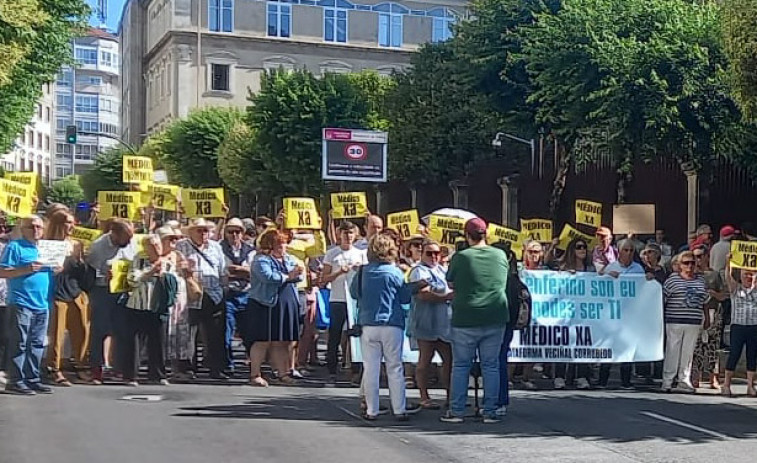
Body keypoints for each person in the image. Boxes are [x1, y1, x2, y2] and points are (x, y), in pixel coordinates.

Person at [442, 218, 509, 424]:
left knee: (461, 366)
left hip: (465, 317)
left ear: (467, 235)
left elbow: (450, 281)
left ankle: (457, 411)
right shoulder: (500, 255)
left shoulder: (461, 257)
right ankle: (490, 411)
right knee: (491, 365)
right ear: (485, 234)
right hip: (495, 315)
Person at [351, 234, 416, 420]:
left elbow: (355, 294)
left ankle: (372, 410)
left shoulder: (363, 272)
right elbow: (404, 298)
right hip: (392, 323)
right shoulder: (395, 272)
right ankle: (399, 409)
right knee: (394, 367)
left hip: (368, 323)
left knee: (371, 368)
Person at [1, 216, 57, 395]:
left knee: (37, 343)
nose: (36, 230)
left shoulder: (46, 249)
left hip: (42, 303)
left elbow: (53, 270)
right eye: (31, 227)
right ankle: (15, 381)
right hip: (21, 302)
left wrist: (58, 267)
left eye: (39, 227)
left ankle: (32, 378)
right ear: (23, 229)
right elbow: (2, 271)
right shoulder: (15, 247)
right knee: (19, 343)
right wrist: (25, 269)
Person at [248, 230, 303, 387]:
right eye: (279, 244)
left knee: (280, 341)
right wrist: (288, 276)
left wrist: (296, 273)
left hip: (285, 303)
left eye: (284, 243)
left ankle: (283, 373)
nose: (283, 247)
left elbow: (299, 274)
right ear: (269, 245)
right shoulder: (260, 260)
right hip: (265, 304)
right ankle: (255, 374)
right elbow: (268, 277)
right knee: (262, 341)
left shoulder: (289, 259)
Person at [176, 218, 228, 380]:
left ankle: (216, 368)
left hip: (214, 294)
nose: (203, 233)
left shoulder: (216, 247)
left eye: (205, 230)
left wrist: (224, 289)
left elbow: (222, 270)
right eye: (199, 230)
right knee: (189, 333)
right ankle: (188, 368)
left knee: (216, 333)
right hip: (191, 294)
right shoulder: (181, 246)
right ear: (190, 232)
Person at [44, 210, 92, 386]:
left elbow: (81, 272)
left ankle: (80, 367)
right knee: (56, 335)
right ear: (58, 224)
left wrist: (81, 260)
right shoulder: (47, 244)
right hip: (56, 293)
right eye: (68, 222)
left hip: (76, 292)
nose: (72, 226)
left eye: (73, 222)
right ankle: (54, 370)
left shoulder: (77, 244)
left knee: (82, 331)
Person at [85, 218, 136, 384]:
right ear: (114, 233)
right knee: (99, 331)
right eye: (125, 238)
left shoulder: (131, 244)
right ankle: (96, 369)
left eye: (130, 238)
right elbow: (89, 273)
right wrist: (104, 276)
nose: (128, 242)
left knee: (123, 331)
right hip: (102, 291)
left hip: (123, 292)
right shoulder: (98, 247)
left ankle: (119, 369)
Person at [408, 239, 453, 410]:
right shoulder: (418, 271)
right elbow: (424, 295)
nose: (434, 256)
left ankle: (450, 396)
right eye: (429, 253)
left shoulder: (443, 270)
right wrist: (446, 297)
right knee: (425, 360)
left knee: (449, 360)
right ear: (422, 254)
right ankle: (424, 397)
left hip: (443, 322)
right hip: (425, 321)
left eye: (437, 253)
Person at [122, 235, 171, 386]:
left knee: (159, 341)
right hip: (139, 305)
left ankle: (158, 375)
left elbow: (173, 281)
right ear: (146, 247)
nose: (156, 248)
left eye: (158, 244)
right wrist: (150, 272)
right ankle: (131, 376)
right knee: (135, 342)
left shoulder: (168, 261)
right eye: (152, 245)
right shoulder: (139, 259)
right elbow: (132, 280)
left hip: (158, 307)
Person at [322, 221, 367, 384]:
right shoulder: (332, 254)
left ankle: (356, 370)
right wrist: (340, 271)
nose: (348, 237)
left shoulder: (361, 254)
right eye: (345, 233)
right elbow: (323, 279)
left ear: (355, 235)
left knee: (355, 335)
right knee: (334, 334)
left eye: (351, 233)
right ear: (339, 235)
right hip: (338, 299)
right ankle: (332, 369)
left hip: (355, 301)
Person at [598, 239, 646, 389]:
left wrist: (649, 279)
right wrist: (605, 277)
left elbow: (643, 288)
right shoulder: (610, 268)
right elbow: (598, 289)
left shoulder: (638, 269)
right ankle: (602, 380)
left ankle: (626, 381)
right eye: (626, 250)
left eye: (632, 250)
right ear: (619, 251)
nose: (629, 253)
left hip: (630, 315)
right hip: (612, 314)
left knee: (628, 346)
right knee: (608, 346)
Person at [661, 251, 708, 393]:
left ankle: (684, 380)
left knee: (687, 353)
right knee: (672, 351)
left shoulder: (701, 281)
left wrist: (707, 318)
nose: (690, 266)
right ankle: (668, 380)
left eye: (692, 263)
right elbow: (663, 300)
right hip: (674, 320)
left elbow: (705, 301)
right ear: (679, 265)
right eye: (686, 263)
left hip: (693, 321)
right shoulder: (672, 280)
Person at [554, 238, 595, 390]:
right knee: (563, 343)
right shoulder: (563, 268)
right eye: (578, 247)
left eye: (584, 247)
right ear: (572, 250)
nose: (582, 249)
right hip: (565, 313)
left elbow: (600, 281)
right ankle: (559, 376)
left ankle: (581, 376)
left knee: (582, 343)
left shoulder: (590, 270)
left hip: (584, 315)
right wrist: (564, 274)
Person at [495, 245, 531, 415]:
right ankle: (500, 400)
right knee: (499, 359)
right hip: (508, 323)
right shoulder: (516, 280)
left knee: (494, 361)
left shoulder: (500, 279)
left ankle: (495, 399)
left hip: (496, 323)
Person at [154, 226, 192, 381]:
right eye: (170, 239)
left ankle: (179, 368)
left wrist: (187, 269)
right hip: (164, 301)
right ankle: (163, 367)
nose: (174, 242)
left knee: (181, 334)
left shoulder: (178, 255)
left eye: (175, 239)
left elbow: (188, 274)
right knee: (165, 334)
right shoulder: (155, 257)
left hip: (180, 300)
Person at [220, 218, 255, 375]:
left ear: (243, 233)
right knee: (226, 332)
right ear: (225, 233)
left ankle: (253, 365)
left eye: (238, 231)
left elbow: (253, 272)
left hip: (247, 294)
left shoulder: (250, 250)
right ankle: (228, 365)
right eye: (230, 231)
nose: (234, 235)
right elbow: (223, 271)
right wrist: (242, 271)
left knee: (249, 333)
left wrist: (237, 270)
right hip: (227, 295)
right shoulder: (218, 249)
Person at [721, 257, 757, 397]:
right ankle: (726, 385)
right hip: (738, 326)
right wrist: (728, 263)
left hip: (753, 326)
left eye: (751, 273)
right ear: (741, 275)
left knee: (752, 356)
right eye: (745, 274)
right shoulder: (736, 289)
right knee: (734, 354)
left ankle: (750, 386)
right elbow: (727, 276)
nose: (748, 276)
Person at [692, 245, 727, 389]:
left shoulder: (714, 275)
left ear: (707, 256)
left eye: (700, 256)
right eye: (695, 257)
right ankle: (696, 376)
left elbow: (724, 295)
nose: (697, 260)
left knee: (713, 346)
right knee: (697, 347)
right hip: (696, 312)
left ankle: (713, 377)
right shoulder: (693, 275)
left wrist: (713, 293)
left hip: (714, 310)